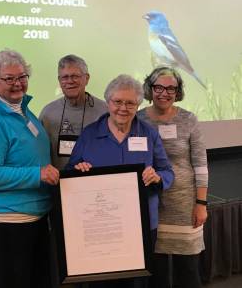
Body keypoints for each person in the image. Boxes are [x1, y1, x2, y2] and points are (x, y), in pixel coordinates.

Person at [67, 74, 174, 288]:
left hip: (141, 222)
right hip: (100, 225)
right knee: (103, 281)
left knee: (138, 281)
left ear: (138, 105)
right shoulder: (89, 134)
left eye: (130, 103)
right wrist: (78, 170)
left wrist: (157, 177)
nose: (123, 108)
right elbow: (70, 172)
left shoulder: (148, 134)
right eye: (118, 102)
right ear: (108, 102)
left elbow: (167, 171)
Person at [0, 49, 59, 288]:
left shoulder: (21, 110)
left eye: (22, 76)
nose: (18, 83)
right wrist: (37, 174)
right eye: (10, 78)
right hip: (4, 217)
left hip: (29, 214)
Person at [137, 66, 208, 288]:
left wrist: (201, 204)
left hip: (184, 205)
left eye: (171, 88)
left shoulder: (188, 119)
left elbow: (200, 164)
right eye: (159, 87)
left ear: (178, 92)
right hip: (151, 205)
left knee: (187, 271)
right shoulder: (137, 119)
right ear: (150, 88)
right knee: (156, 272)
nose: (164, 93)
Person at [39, 54, 107, 171]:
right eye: (65, 77)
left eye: (75, 76)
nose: (70, 81)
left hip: (96, 181)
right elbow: (39, 152)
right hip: (58, 183)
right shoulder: (48, 113)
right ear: (59, 81)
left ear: (87, 78)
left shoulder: (104, 111)